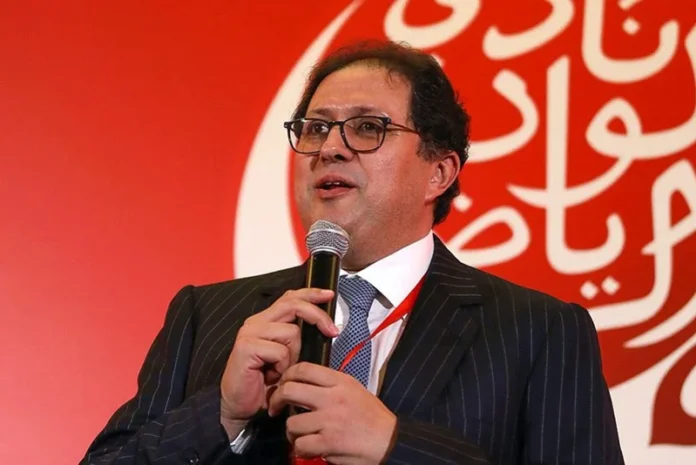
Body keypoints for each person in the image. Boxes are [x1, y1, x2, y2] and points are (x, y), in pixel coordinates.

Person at [81, 40, 625, 465]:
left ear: (439, 172)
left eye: (368, 127)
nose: (330, 148)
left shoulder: (538, 332)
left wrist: (395, 446)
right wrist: (222, 414)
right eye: (315, 128)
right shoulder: (207, 315)